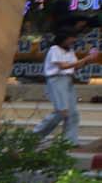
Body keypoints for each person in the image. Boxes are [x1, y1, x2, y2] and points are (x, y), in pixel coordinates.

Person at [33, 16, 101, 148]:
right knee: (61, 111)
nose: (74, 40)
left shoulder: (70, 51)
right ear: (64, 37)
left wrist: (88, 60)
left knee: (73, 113)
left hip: (68, 81)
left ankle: (69, 142)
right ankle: (35, 136)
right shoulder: (54, 50)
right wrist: (84, 58)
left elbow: (75, 66)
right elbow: (63, 66)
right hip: (56, 81)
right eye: (72, 37)